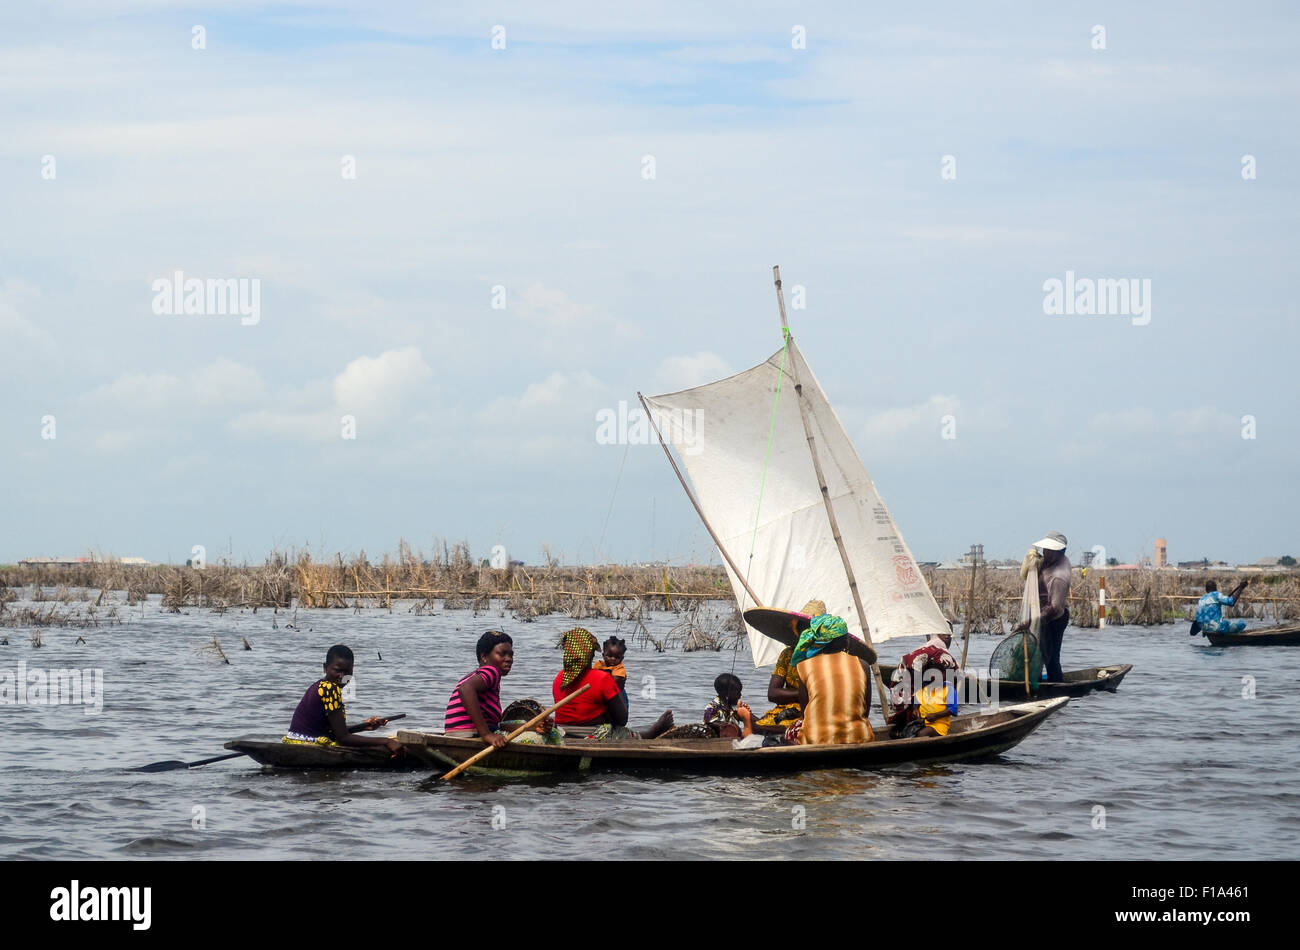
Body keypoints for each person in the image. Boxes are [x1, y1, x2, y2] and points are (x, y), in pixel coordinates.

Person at [551, 627, 673, 739]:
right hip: (593, 734)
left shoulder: (559, 678)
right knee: (625, 733)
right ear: (591, 654)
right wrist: (618, 688)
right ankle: (650, 734)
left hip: (563, 732)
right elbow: (622, 720)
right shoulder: (602, 678)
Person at [284, 644, 402, 755]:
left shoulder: (320, 685)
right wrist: (387, 741)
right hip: (310, 745)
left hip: (294, 741)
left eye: (347, 672)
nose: (342, 676)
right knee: (389, 747)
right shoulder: (330, 688)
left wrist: (365, 727)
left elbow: (335, 732)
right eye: (337, 670)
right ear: (325, 668)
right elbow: (343, 738)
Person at [791, 613, 875, 745]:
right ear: (846, 640)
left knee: (791, 730)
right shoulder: (863, 665)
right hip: (859, 737)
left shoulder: (803, 666)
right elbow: (865, 710)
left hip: (816, 740)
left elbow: (804, 714)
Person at [754, 599, 823, 730]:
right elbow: (773, 693)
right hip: (787, 710)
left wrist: (792, 694)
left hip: (816, 712)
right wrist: (804, 694)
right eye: (802, 628)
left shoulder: (827, 656)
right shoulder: (788, 655)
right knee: (762, 725)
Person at [1013, 531, 1071, 682]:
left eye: (1049, 551)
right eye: (1045, 549)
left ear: (1059, 552)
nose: (1045, 553)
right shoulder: (1051, 561)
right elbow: (1028, 573)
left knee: (1050, 657)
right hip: (1041, 615)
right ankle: (1036, 681)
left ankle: (1055, 688)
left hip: (1053, 619)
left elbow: (1054, 608)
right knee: (1037, 653)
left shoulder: (1059, 576)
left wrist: (1032, 621)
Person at [444, 630, 514, 749]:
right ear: (484, 657)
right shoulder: (492, 671)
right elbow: (465, 690)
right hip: (470, 734)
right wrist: (486, 734)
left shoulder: (476, 676)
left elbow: (497, 725)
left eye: (511, 655)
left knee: (513, 726)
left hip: (456, 733)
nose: (509, 659)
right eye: (502, 654)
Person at [703, 672, 755, 739]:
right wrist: (726, 726)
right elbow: (709, 722)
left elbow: (747, 722)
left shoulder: (734, 708)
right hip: (714, 740)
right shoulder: (713, 707)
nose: (740, 695)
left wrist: (746, 713)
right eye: (737, 692)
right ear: (726, 694)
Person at [593, 636, 629, 710]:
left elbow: (613, 682)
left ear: (622, 658)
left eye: (617, 657)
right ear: (603, 655)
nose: (613, 659)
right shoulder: (598, 664)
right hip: (602, 695)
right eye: (609, 656)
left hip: (617, 698)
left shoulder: (619, 668)